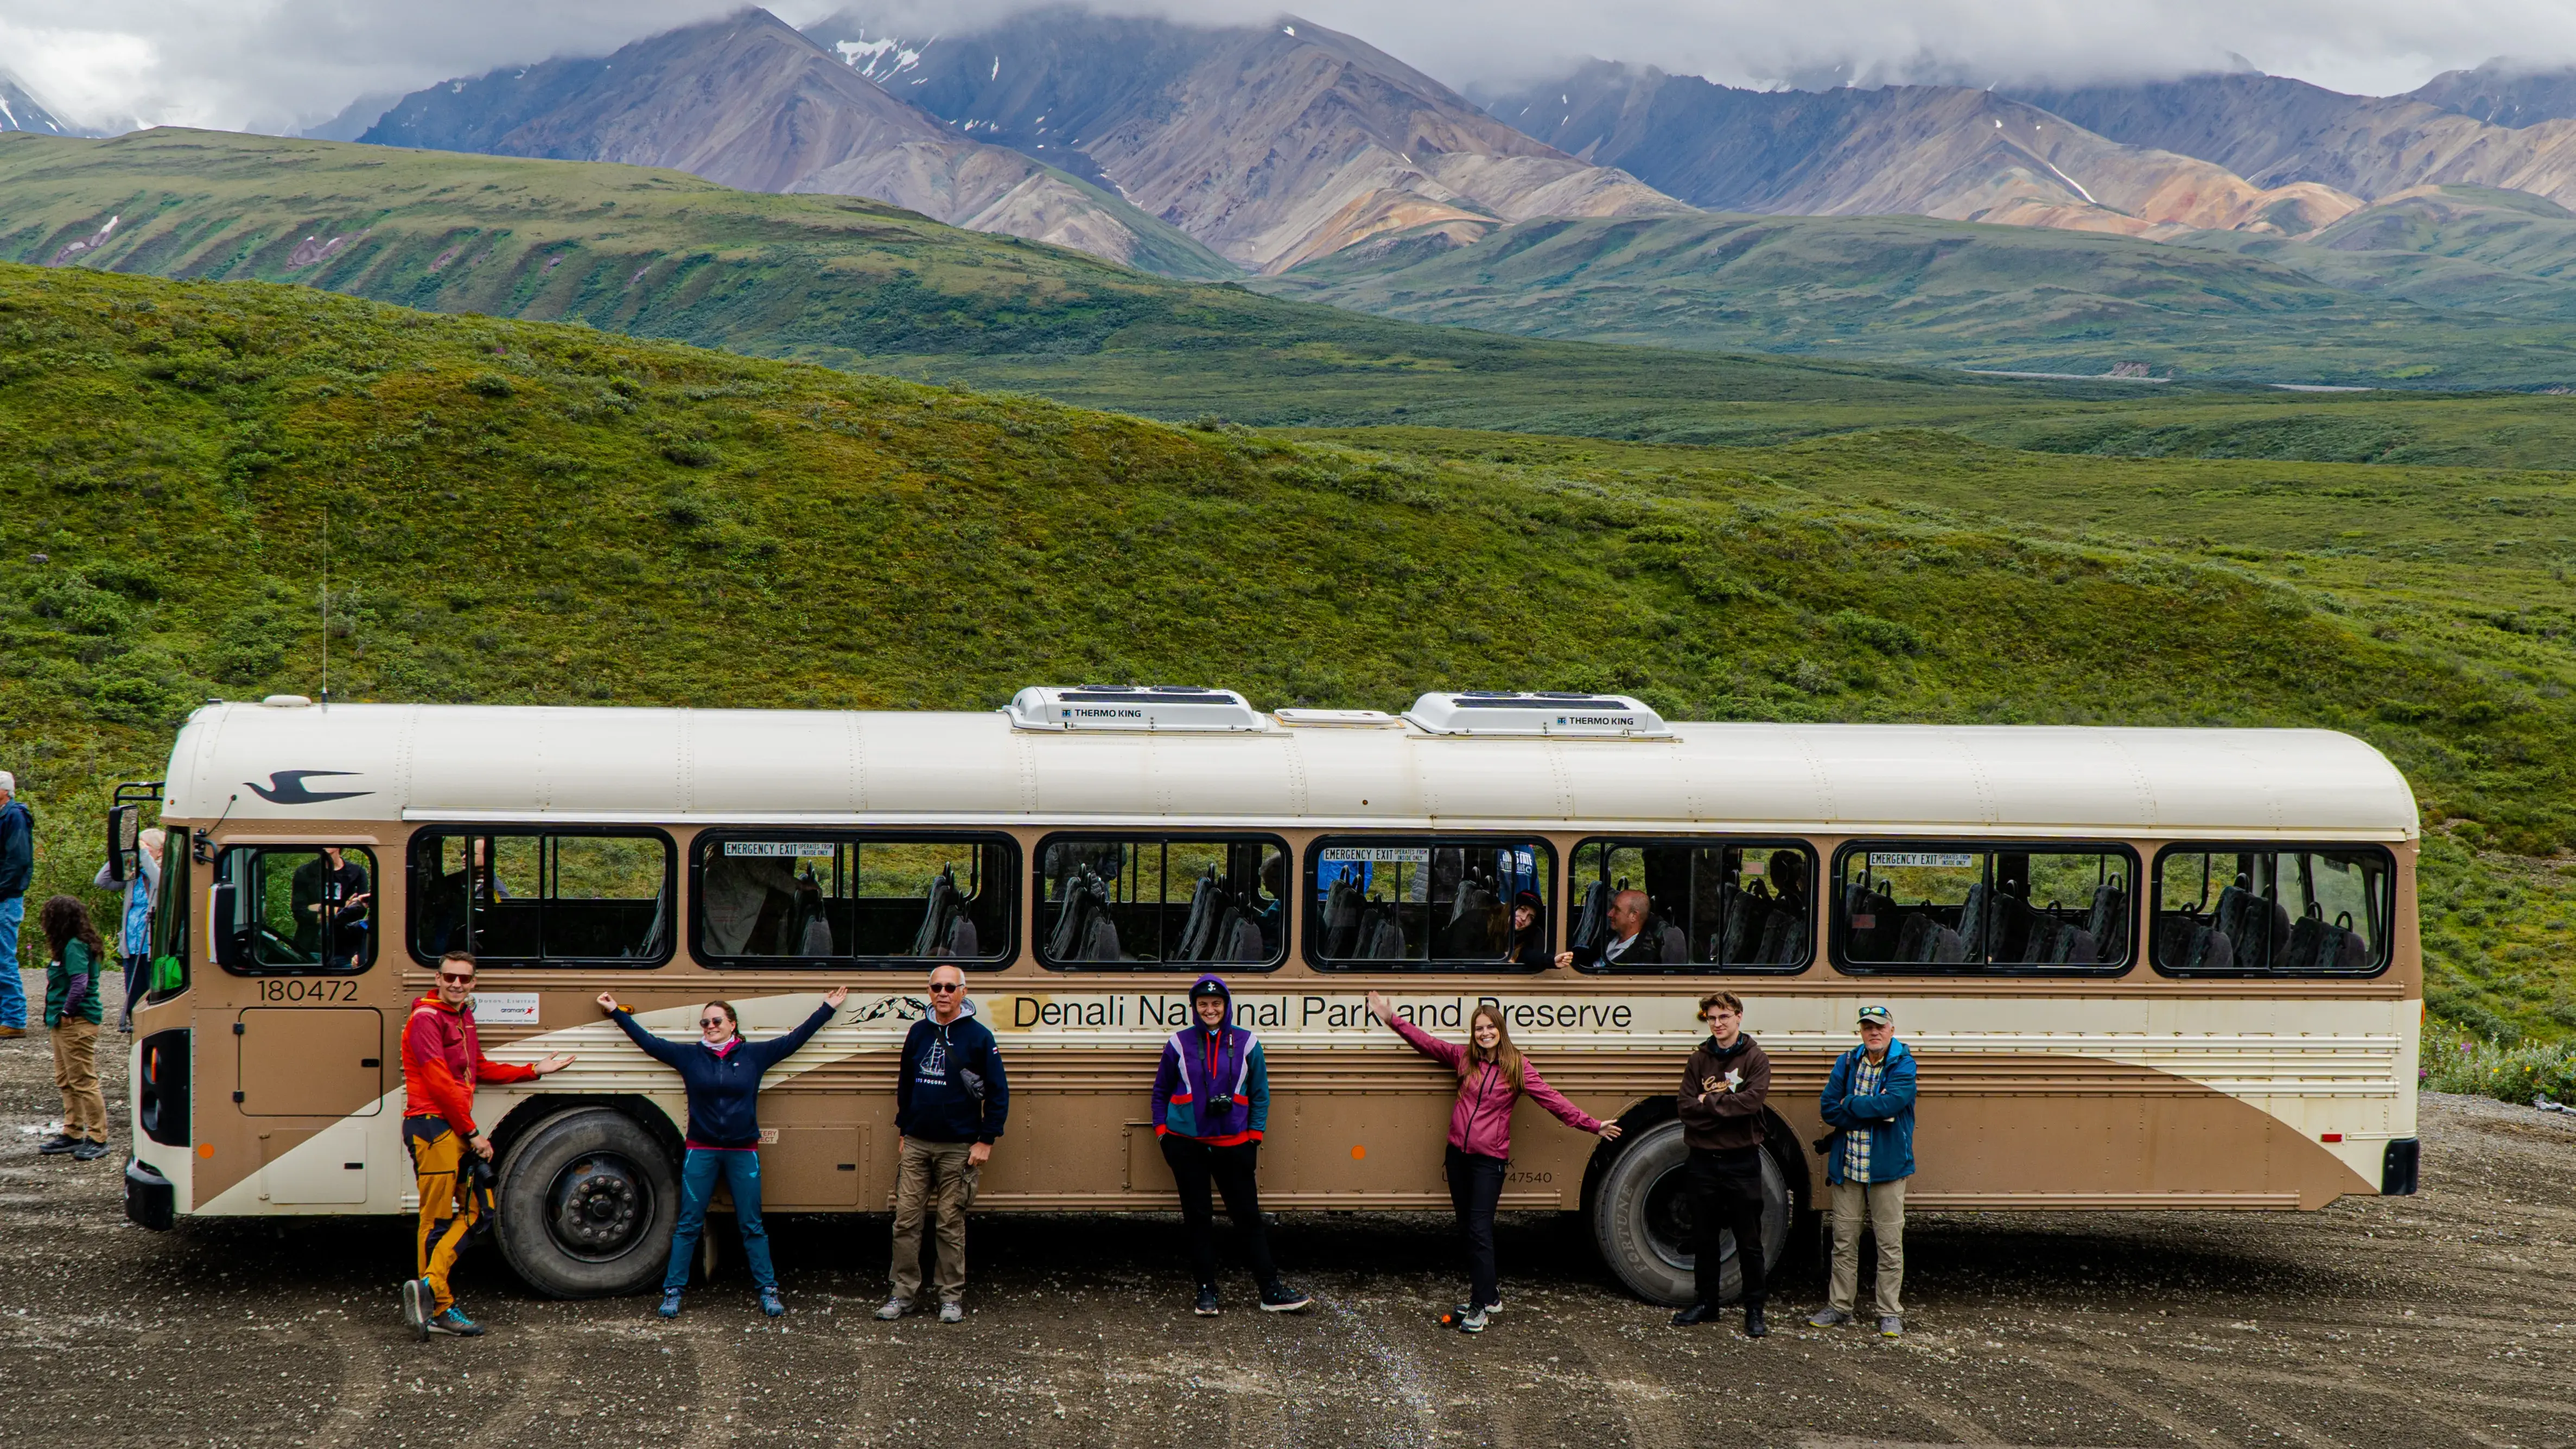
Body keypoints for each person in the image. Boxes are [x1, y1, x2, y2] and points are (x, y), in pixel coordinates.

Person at [1366, 990, 1621, 1333]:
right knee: (1467, 1229)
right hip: (1458, 1156)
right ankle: (1490, 1296)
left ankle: (1479, 1306)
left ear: (1500, 1029)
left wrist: (1593, 1125)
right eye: (1479, 1029)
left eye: (1490, 1027)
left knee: (1479, 1230)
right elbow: (1426, 1043)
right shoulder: (1464, 1058)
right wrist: (1391, 1019)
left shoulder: (1516, 1066)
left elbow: (1552, 1100)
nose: (1485, 1033)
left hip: (1489, 1161)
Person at [598, 984, 849, 1320]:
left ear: (732, 1024)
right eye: (705, 1023)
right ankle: (673, 1292)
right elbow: (649, 1042)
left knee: (752, 1225)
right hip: (701, 1150)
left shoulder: (754, 1055)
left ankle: (768, 1290)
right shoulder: (689, 1057)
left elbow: (795, 1040)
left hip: (743, 1151)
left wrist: (827, 1009)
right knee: (689, 1224)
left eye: (717, 1021)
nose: (710, 1027)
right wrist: (616, 1012)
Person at [400, 951, 574, 1338]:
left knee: (481, 1210)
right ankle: (437, 1309)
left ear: (473, 983)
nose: (456, 984)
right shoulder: (426, 1019)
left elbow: (477, 1068)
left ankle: (429, 1287)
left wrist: (533, 1071)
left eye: (464, 979)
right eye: (450, 977)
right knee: (435, 1220)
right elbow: (438, 1082)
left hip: (452, 1129)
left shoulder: (462, 1016)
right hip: (432, 1127)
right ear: (438, 978)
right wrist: (472, 1133)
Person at [1152, 975, 1311, 1316]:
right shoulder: (1178, 1043)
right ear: (1194, 1007)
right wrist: (1163, 1134)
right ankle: (1206, 1291)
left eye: (1216, 1003)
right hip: (1187, 1144)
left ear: (1226, 1006)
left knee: (1248, 1218)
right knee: (1198, 1218)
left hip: (1234, 1144)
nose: (1210, 1009)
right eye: (1203, 1004)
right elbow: (1161, 1091)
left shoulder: (1248, 1042)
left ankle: (1270, 1290)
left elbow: (1260, 1094)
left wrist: (1254, 1137)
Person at [877, 963, 1009, 1323]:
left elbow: (998, 1092)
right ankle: (903, 1294)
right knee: (905, 1222)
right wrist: (904, 1129)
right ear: (929, 991)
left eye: (951, 987)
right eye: (937, 987)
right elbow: (906, 1084)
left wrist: (986, 1140)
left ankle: (950, 1297)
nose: (944, 993)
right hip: (917, 1144)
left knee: (950, 1225)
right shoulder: (919, 1031)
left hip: (959, 1148)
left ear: (963, 992)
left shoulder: (979, 1036)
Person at [1809, 1004, 1917, 1338]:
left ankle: (1890, 1312)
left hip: (1887, 1169)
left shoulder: (1904, 1064)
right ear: (1861, 1031)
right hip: (1849, 1165)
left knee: (1889, 1243)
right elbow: (1829, 1108)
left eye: (1880, 1027)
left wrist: (1851, 1103)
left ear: (1891, 1030)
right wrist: (1871, 1111)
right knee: (1843, 1241)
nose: (1874, 1032)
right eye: (1868, 1027)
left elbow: (1892, 1103)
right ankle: (1840, 1306)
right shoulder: (1847, 1061)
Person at [1671, 991, 1773, 1335]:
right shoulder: (1698, 1059)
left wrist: (1708, 1101)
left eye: (1724, 1017)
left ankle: (1755, 1309)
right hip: (1702, 1161)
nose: (1717, 1024)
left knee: (1749, 1240)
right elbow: (1686, 1108)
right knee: (1704, 1238)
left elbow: (1750, 1103)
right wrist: (1724, 1106)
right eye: (1712, 1018)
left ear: (1739, 1017)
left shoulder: (1755, 1058)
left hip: (1742, 1162)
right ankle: (1707, 1304)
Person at [35, 895, 109, 1160]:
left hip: (76, 1022)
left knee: (83, 1081)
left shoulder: (75, 947)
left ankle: (98, 1137)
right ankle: (73, 1131)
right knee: (66, 1079)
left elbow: (80, 983)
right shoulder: (69, 945)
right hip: (61, 1022)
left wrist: (68, 1010)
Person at [93, 827, 163, 1032]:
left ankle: (154, 1026)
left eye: (146, 848)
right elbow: (103, 881)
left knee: (153, 991)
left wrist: (144, 856)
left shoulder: (165, 870)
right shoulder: (134, 873)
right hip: (132, 943)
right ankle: (136, 1023)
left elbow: (161, 882)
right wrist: (120, 855)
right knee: (134, 991)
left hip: (152, 945)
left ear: (160, 851)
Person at [290, 846, 371, 967]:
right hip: (311, 950)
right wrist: (343, 910)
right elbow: (300, 913)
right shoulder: (306, 872)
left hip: (345, 951)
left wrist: (318, 908)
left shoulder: (357, 872)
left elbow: (359, 911)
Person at [1555, 888, 1662, 969]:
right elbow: (1591, 955)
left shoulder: (1642, 956)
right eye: (1612, 908)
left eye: (1617, 910)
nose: (1610, 914)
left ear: (1634, 916)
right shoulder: (1611, 935)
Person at [0, 770, 31, 1040]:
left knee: (3, 958)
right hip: (5, 896)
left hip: (6, 899)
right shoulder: (6, 815)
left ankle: (14, 1019)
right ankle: (7, 1016)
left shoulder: (14, 816)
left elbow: (18, 860)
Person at [1505, 890, 1551, 968]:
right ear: (1513, 907)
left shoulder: (1531, 938)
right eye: (1522, 910)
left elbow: (1532, 956)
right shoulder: (1491, 924)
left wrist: (1552, 961)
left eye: (1531, 918)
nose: (1524, 918)